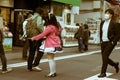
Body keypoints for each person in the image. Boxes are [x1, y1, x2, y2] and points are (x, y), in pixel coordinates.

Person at [98, 9, 119, 78]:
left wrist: (113, 42)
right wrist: (100, 40)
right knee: (104, 58)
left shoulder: (114, 23)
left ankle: (103, 72)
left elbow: (118, 34)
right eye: (105, 13)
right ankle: (115, 64)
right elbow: (101, 32)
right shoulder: (102, 22)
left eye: (108, 13)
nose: (106, 14)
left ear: (111, 15)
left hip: (110, 42)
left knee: (104, 57)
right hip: (103, 42)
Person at [26, 7, 44, 71]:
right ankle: (35, 64)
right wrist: (43, 32)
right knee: (41, 50)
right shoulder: (39, 17)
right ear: (41, 13)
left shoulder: (30, 18)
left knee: (31, 51)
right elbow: (39, 26)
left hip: (30, 36)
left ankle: (29, 66)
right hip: (37, 36)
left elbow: (26, 26)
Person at [0, 8, 12, 73]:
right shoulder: (0, 18)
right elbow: (1, 29)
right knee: (2, 54)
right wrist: (3, 37)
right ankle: (4, 69)